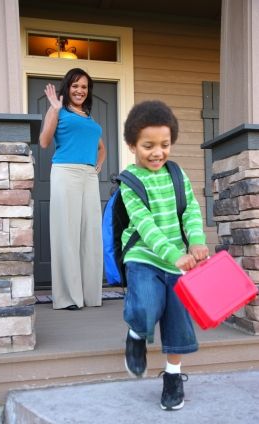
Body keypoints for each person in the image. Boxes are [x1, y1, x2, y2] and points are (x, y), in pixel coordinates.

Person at [120, 100, 209, 410]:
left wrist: (196, 241)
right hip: (146, 256)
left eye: (164, 144)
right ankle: (135, 334)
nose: (157, 152)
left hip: (179, 263)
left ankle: (173, 376)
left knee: (178, 321)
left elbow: (191, 211)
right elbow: (146, 227)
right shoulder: (129, 181)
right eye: (148, 145)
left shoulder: (177, 174)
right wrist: (173, 254)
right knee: (146, 305)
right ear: (132, 145)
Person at [39, 68, 106, 310]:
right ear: (67, 87)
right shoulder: (59, 110)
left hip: (88, 176)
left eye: (84, 87)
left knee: (90, 235)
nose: (80, 90)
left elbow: (101, 147)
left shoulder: (88, 118)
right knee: (67, 234)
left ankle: (89, 295)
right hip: (65, 172)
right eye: (75, 85)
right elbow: (44, 142)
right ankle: (68, 297)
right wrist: (55, 111)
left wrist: (98, 164)